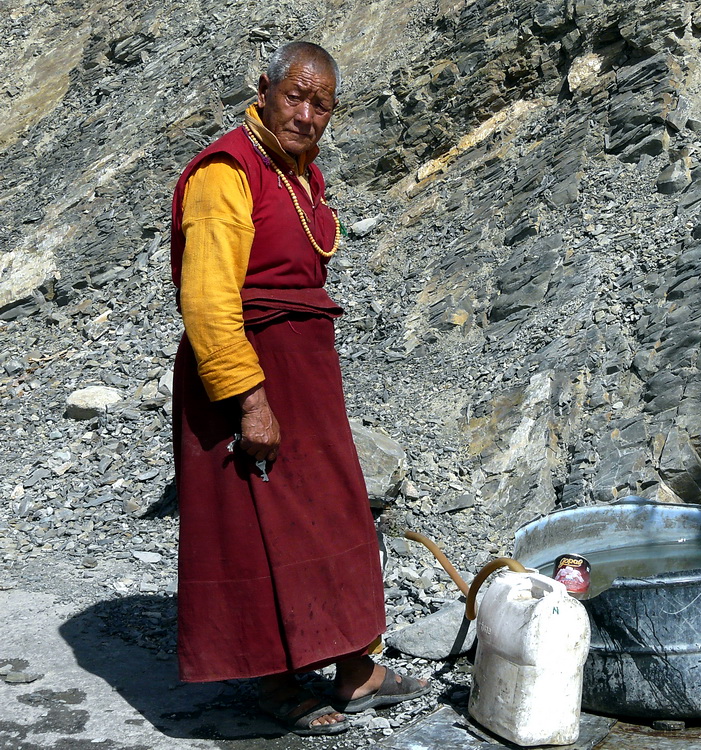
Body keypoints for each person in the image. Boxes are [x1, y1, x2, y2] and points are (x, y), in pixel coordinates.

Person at [170, 41, 427, 736]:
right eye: (296, 97)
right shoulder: (226, 173)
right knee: (260, 532)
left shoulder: (297, 175)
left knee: (331, 514)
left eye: (322, 105)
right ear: (265, 89)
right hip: (250, 377)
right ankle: (278, 679)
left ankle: (353, 666)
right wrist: (249, 400)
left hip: (306, 376)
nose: (308, 115)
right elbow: (207, 301)